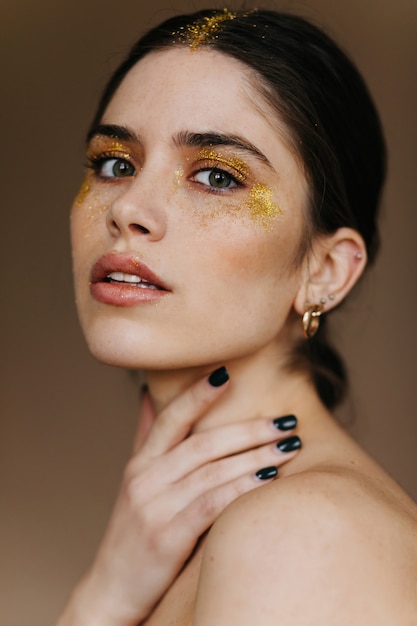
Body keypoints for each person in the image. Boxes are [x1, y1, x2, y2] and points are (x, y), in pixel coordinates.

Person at [58, 7, 417, 625]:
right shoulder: (212, 530)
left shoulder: (300, 533)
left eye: (217, 176)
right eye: (115, 163)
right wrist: (105, 595)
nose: (129, 209)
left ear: (326, 271)